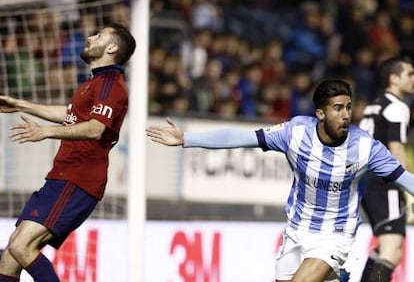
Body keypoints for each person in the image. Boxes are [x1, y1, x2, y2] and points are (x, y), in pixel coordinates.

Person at [146, 79, 414, 282]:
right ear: (320, 113)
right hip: (297, 231)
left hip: (335, 235)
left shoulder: (366, 147)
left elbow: (405, 179)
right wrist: (187, 139)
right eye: (337, 108)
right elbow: (240, 138)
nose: (345, 115)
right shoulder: (295, 132)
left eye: (348, 107)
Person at [0, 23, 136, 282]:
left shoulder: (111, 84)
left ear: (112, 47)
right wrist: (21, 104)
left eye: (98, 35)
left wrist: (46, 132)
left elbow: (95, 128)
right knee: (11, 253)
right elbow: (69, 114)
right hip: (61, 177)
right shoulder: (93, 84)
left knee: (20, 247)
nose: (89, 37)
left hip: (78, 180)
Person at [358, 56, 414, 281]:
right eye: (409, 74)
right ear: (394, 78)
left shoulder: (375, 105)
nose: (413, 79)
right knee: (392, 251)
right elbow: (396, 151)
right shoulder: (397, 107)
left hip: (365, 182)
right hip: (384, 184)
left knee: (384, 249)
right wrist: (409, 189)